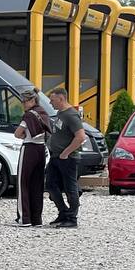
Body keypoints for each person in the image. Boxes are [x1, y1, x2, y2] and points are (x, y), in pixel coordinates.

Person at [45, 87, 86, 228]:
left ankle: (72, 218)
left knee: (70, 188)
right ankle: (63, 212)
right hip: (55, 156)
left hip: (68, 158)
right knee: (50, 184)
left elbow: (80, 136)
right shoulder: (60, 114)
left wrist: (66, 153)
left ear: (61, 98)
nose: (50, 103)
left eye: (52, 100)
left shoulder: (71, 115)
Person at [12, 88, 51, 227]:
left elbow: (17, 133)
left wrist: (23, 135)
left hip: (29, 148)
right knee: (37, 184)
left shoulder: (28, 115)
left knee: (23, 183)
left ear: (32, 100)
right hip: (41, 149)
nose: (23, 104)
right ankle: (37, 219)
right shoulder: (43, 112)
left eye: (25, 101)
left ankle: (25, 218)